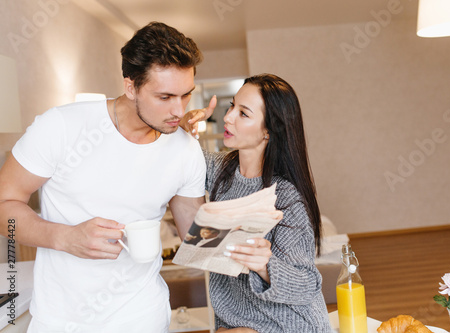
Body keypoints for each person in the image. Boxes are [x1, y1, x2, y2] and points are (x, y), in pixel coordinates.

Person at [0, 22, 215, 332]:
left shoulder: (185, 149)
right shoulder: (61, 126)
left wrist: (248, 241)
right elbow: (4, 205)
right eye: (165, 97)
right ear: (131, 86)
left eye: (186, 96)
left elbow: (197, 238)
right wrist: (65, 237)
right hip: (62, 321)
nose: (178, 111)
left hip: (144, 317)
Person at [184, 74, 332, 332]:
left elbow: (308, 284)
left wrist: (265, 266)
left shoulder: (286, 198)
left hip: (289, 325)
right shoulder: (222, 169)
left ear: (268, 130)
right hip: (238, 324)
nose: (228, 117)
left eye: (243, 113)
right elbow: (183, 162)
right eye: (232, 106)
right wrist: (184, 133)